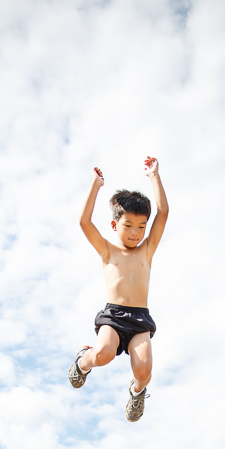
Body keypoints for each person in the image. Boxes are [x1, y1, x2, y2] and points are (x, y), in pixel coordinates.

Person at [68, 156, 169, 422]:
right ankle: (83, 361)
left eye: (141, 227)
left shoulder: (147, 250)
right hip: (114, 315)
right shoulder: (107, 250)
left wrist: (154, 176)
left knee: (144, 369)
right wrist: (95, 185)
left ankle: (137, 393)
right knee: (103, 354)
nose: (136, 233)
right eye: (129, 226)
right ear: (115, 225)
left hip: (139, 319)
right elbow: (84, 223)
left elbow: (163, 213)